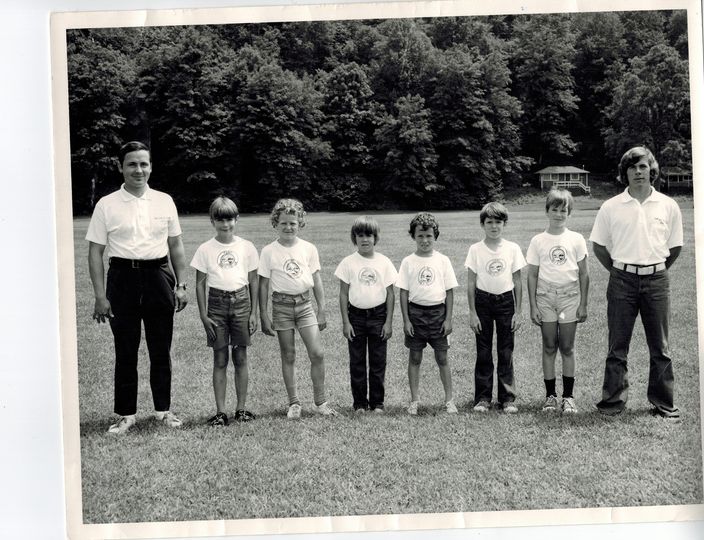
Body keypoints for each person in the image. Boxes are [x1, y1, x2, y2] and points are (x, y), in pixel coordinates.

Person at [87, 141, 188, 434]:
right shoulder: (106, 204)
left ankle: (163, 411)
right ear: (122, 167)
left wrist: (180, 285)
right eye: (132, 164)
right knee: (126, 350)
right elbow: (95, 252)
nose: (138, 170)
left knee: (161, 348)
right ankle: (126, 414)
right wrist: (100, 295)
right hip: (122, 279)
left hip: (159, 276)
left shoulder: (164, 200)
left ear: (151, 166)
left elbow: (176, 245)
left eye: (144, 164)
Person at [590, 146, 683, 419]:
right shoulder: (611, 206)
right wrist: (620, 271)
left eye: (642, 166)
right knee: (617, 346)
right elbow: (598, 245)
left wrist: (655, 270)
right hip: (622, 281)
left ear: (651, 170)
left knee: (661, 347)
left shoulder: (668, 205)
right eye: (632, 167)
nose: (638, 172)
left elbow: (674, 247)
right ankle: (613, 402)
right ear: (625, 173)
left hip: (657, 281)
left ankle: (664, 403)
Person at [258, 198, 338, 418]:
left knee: (317, 353)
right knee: (289, 354)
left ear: (300, 222)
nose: (288, 227)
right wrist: (263, 315)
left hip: (304, 306)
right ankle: (294, 403)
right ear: (276, 223)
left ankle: (320, 402)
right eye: (283, 223)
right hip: (281, 306)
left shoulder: (308, 248)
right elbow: (263, 285)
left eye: (293, 223)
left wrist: (322, 308)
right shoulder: (268, 251)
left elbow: (317, 279)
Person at [190, 196, 259, 426]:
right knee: (220, 358)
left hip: (241, 302)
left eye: (229, 219)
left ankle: (241, 409)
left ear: (236, 219)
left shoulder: (246, 246)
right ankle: (221, 413)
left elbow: (253, 281)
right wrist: (203, 315)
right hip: (216, 305)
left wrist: (253, 312)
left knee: (240, 356)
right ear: (212, 221)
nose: (225, 224)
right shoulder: (205, 249)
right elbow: (200, 284)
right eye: (220, 219)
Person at [526, 189, 589, 414]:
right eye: (555, 209)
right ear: (547, 211)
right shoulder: (538, 241)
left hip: (570, 298)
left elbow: (583, 273)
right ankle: (550, 396)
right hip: (545, 298)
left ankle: (568, 397)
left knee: (568, 347)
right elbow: (532, 274)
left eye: (564, 210)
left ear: (569, 213)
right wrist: (533, 305)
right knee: (550, 345)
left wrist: (583, 304)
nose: (559, 214)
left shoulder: (576, 239)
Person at [465, 202, 526, 413]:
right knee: (483, 351)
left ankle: (507, 398)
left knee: (506, 350)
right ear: (482, 224)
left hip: (506, 302)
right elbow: (471, 282)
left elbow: (517, 281)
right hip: (482, 302)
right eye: (489, 222)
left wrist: (518, 312)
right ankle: (483, 398)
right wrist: (472, 312)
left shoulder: (512, 248)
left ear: (504, 224)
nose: (494, 226)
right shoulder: (475, 249)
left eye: (498, 222)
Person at [334, 216, 397, 414]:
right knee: (357, 362)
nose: (365, 239)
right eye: (360, 235)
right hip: (356, 318)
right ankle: (360, 403)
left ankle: (377, 403)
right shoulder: (348, 262)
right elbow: (343, 294)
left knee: (378, 362)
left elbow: (390, 294)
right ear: (354, 238)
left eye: (369, 235)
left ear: (376, 237)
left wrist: (388, 322)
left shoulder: (384, 262)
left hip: (379, 316)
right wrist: (346, 322)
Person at [397, 212, 458, 415]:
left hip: (438, 314)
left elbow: (449, 292)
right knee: (415, 357)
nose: (425, 240)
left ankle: (449, 400)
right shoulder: (408, 262)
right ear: (413, 236)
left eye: (429, 236)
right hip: (415, 314)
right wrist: (406, 320)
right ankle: (414, 400)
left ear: (435, 236)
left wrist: (448, 319)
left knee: (442, 358)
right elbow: (403, 293)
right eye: (420, 236)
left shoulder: (442, 260)